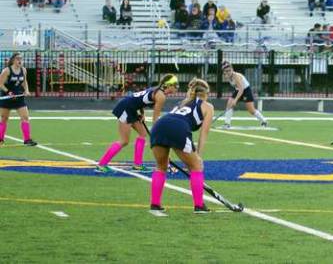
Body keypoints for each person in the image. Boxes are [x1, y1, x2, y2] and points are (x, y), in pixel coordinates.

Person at [149, 78, 214, 214]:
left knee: (161, 166)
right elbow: (204, 134)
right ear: (206, 94)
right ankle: (199, 205)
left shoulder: (182, 103)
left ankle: (155, 204)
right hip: (178, 129)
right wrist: (198, 157)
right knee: (196, 166)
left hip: (159, 126)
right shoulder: (208, 107)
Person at [95, 75, 179, 173]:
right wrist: (157, 132)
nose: (177, 88)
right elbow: (155, 117)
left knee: (142, 134)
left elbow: (140, 100)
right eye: (175, 85)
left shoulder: (157, 91)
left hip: (132, 108)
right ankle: (101, 164)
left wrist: (142, 113)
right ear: (168, 86)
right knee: (124, 140)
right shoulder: (161, 96)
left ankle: (137, 165)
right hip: (125, 108)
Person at [0, 53, 36, 146]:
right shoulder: (6, 71)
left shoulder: (23, 70)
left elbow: (24, 82)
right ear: (13, 60)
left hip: (19, 98)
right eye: (17, 59)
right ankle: (0, 139)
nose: (20, 60)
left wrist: (27, 90)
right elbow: (1, 84)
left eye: (21, 59)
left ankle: (27, 140)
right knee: (4, 119)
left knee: (25, 117)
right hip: (7, 98)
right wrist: (9, 92)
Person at [222, 61, 268, 128]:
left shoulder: (236, 76)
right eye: (226, 71)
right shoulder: (227, 77)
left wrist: (235, 100)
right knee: (229, 104)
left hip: (246, 90)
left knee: (251, 110)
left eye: (229, 70)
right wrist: (233, 100)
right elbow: (237, 88)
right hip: (238, 90)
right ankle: (227, 123)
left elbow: (241, 89)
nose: (228, 72)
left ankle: (264, 121)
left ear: (232, 69)